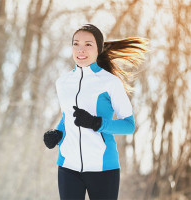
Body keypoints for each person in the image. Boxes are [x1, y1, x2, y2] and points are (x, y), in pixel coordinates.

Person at [43, 24, 149, 200]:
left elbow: (129, 126)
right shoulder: (63, 82)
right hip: (68, 166)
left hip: (103, 168)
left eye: (88, 44)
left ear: (98, 49)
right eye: (76, 44)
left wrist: (96, 123)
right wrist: (57, 133)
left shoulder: (110, 83)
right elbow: (67, 117)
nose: (80, 49)